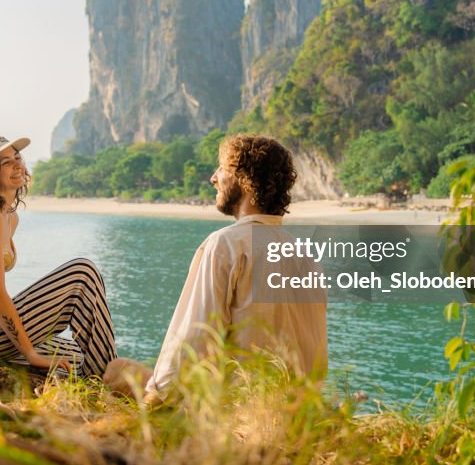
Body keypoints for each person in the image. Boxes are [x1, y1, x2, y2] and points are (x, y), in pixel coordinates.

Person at [105, 134, 327, 400]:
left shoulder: (225, 245)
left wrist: (154, 406)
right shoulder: (306, 256)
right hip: (297, 411)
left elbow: (191, 343)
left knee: (117, 370)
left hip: (234, 410)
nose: (213, 177)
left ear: (244, 178)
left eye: (222, 168)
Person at [0, 134, 117, 377]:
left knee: (78, 358)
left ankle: (107, 376)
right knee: (82, 273)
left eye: (17, 158)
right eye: (5, 162)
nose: (17, 165)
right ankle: (114, 379)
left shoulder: (8, 217)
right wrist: (30, 354)